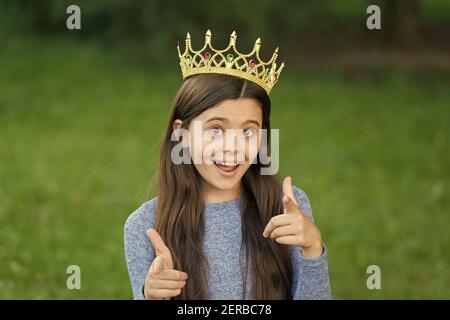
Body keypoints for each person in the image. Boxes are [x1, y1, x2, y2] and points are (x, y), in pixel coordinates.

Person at [124, 30, 332, 300]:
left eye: (248, 132)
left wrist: (312, 248)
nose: (232, 147)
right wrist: (151, 296)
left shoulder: (286, 210)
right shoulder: (145, 226)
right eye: (216, 129)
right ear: (180, 133)